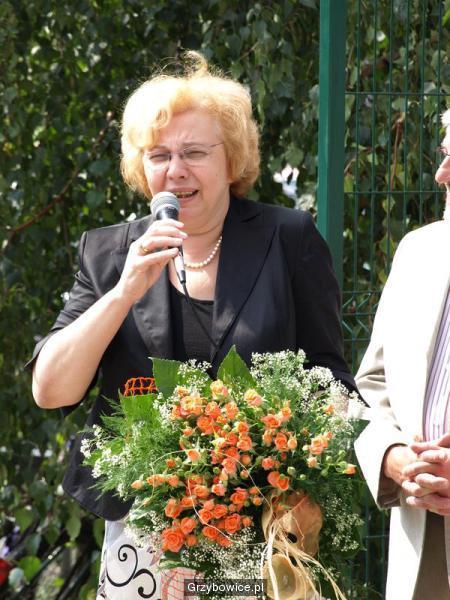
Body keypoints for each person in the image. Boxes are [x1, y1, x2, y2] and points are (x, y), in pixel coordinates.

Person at [30, 52, 355, 599]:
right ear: (142, 168)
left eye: (194, 153)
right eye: (158, 155)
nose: (175, 170)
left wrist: (298, 466)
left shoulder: (289, 239)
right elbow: (50, 390)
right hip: (143, 544)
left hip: (262, 535)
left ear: (232, 160)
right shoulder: (107, 255)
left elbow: (331, 379)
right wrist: (125, 290)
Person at [355, 108, 450, 600]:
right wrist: (392, 458)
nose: (442, 175)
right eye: (445, 154)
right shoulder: (417, 251)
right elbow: (371, 385)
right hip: (421, 539)